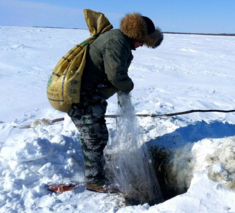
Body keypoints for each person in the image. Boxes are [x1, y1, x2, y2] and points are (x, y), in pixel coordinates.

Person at [68, 13, 163, 186]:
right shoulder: (117, 42)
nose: (142, 45)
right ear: (136, 35)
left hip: (89, 96)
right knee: (94, 136)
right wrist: (128, 87)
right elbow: (116, 75)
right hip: (83, 96)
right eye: (142, 40)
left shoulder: (119, 40)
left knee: (97, 135)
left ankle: (96, 170)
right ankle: (95, 180)